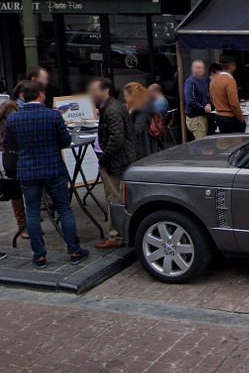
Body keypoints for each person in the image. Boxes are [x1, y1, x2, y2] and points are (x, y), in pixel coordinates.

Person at [3, 81, 89, 267]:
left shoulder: (13, 119)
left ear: (23, 97)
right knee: (64, 209)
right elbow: (65, 140)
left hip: (27, 170)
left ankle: (39, 256)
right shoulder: (52, 116)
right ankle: (74, 251)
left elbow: (9, 145)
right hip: (52, 168)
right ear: (41, 95)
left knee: (32, 213)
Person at [90, 77, 135, 249]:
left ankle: (116, 237)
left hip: (115, 162)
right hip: (121, 160)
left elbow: (117, 139)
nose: (93, 93)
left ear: (106, 90)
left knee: (114, 198)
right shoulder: (112, 106)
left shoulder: (112, 110)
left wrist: (104, 158)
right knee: (118, 198)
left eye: (95, 89)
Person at [0, 80, 28, 240]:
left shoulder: (13, 106)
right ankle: (23, 226)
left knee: (18, 188)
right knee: (15, 189)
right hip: (11, 152)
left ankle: (25, 226)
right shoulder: (10, 106)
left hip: (13, 151)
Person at [124, 82, 161, 159]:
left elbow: (137, 129)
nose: (125, 98)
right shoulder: (145, 104)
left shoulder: (141, 109)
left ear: (133, 96)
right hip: (147, 145)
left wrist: (129, 113)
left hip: (144, 147)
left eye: (126, 95)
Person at [210, 55, 245, 134]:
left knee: (225, 143)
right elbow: (234, 103)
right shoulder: (230, 80)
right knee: (237, 144)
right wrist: (241, 118)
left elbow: (213, 100)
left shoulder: (213, 80)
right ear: (232, 66)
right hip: (230, 118)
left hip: (218, 116)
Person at [184, 60, 212, 140]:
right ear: (193, 69)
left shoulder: (202, 81)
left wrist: (208, 103)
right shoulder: (190, 82)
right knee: (201, 145)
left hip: (203, 116)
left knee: (202, 143)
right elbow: (190, 101)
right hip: (195, 118)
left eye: (202, 67)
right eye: (198, 68)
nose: (201, 70)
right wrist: (203, 108)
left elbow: (207, 95)